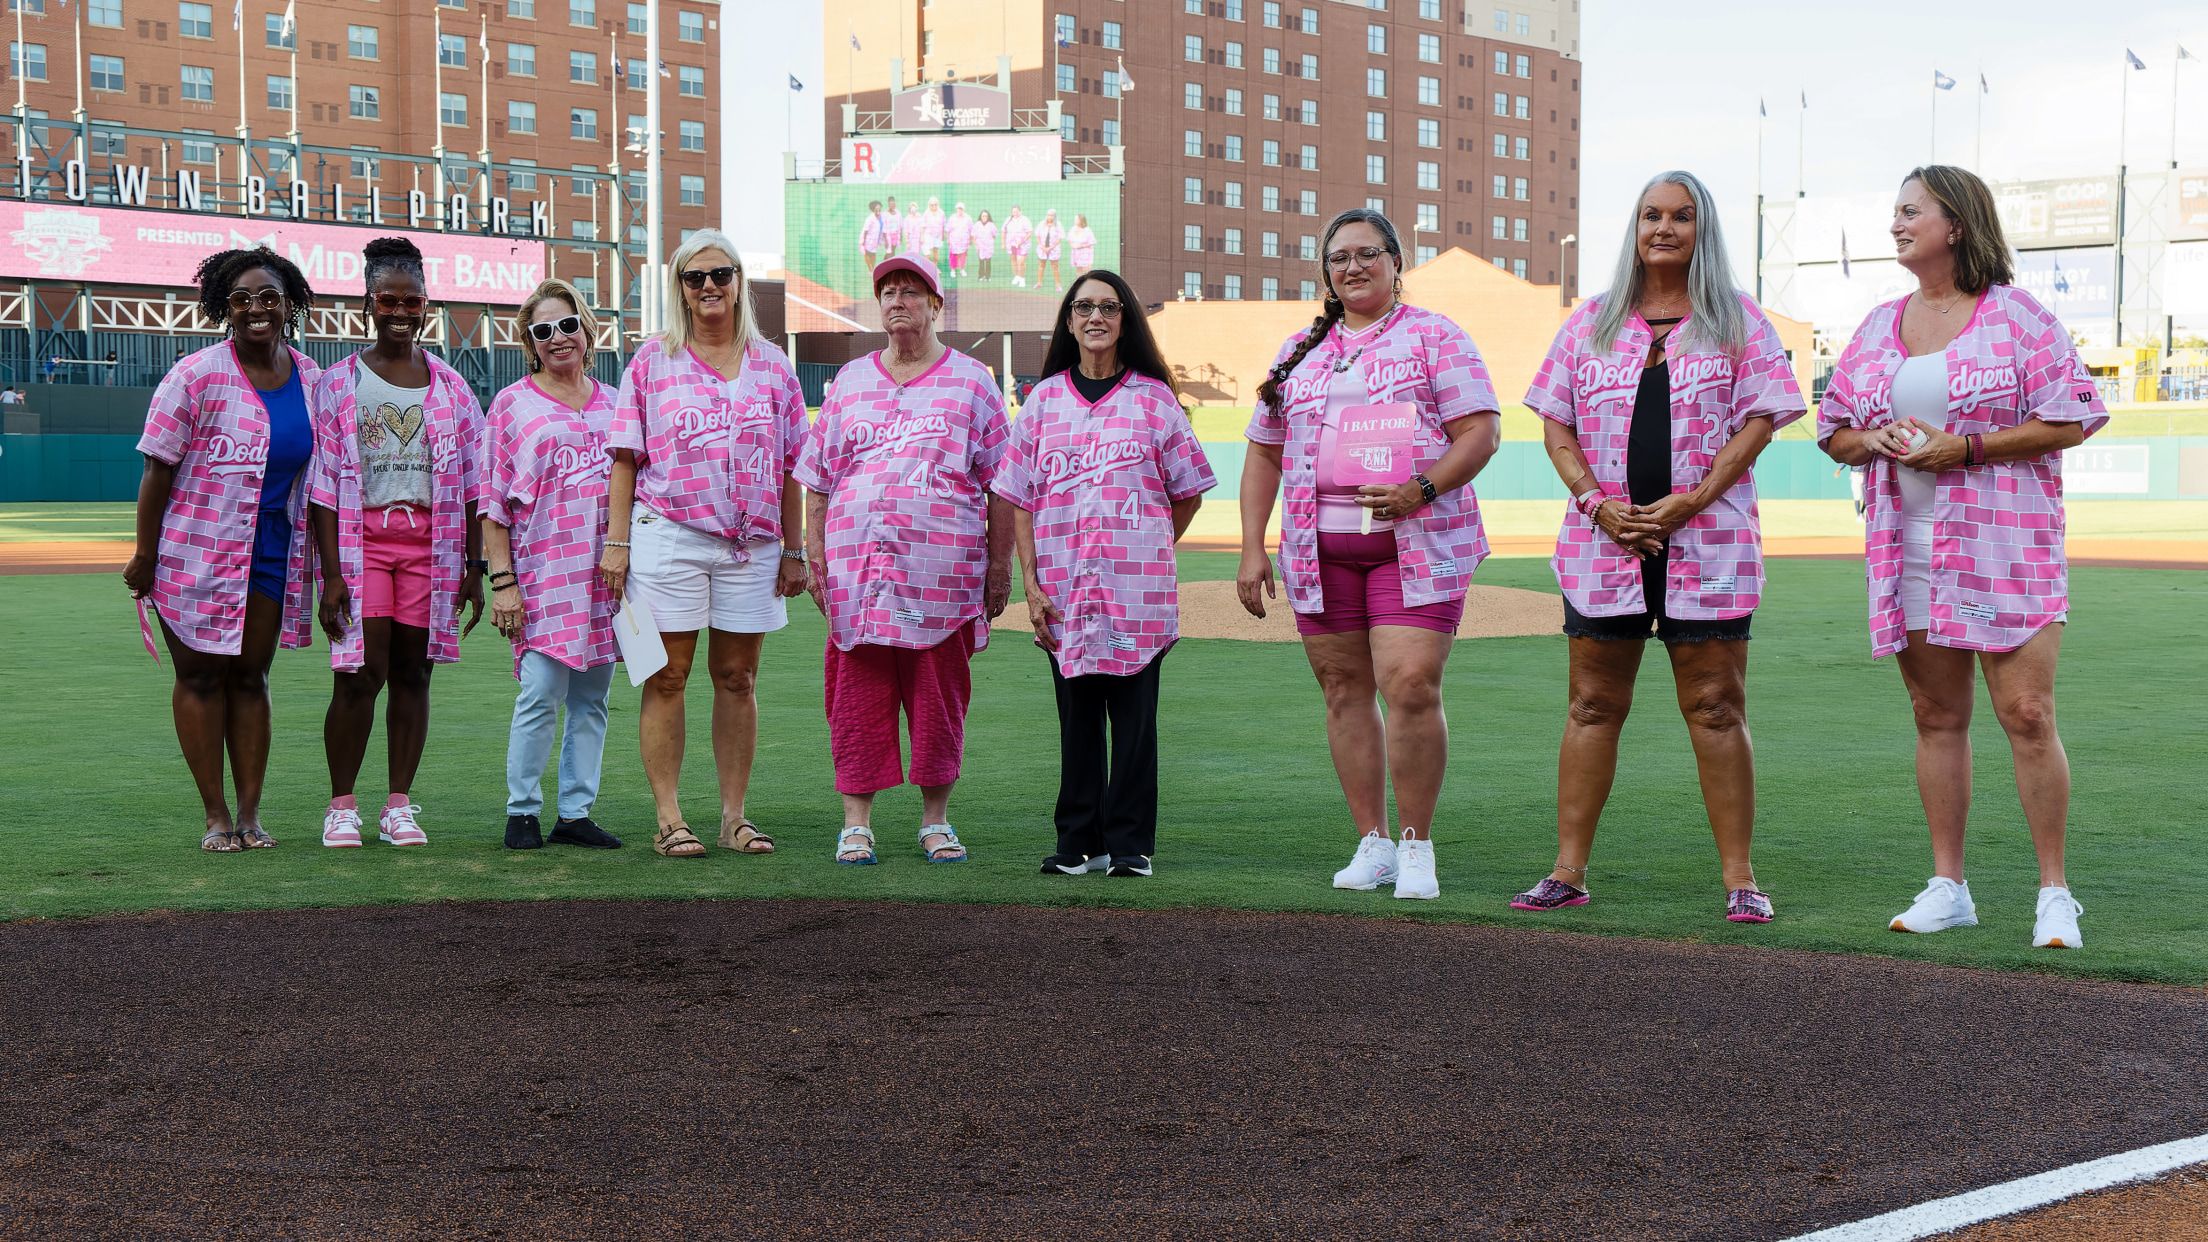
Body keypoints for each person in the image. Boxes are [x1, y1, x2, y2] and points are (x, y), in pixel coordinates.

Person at [1818, 165, 2107, 949]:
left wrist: (1966, 448)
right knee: (1936, 716)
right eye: (1895, 210)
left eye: (1910, 210)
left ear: (1955, 223)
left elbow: (2076, 418)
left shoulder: (2019, 317)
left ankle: (2055, 894)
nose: (1896, 223)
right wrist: (1869, 438)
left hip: (2004, 547)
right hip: (1905, 549)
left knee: (2028, 714)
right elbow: (1833, 430)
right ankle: (1950, 887)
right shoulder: (1878, 326)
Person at [1514, 171, 1803, 924]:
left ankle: (1741, 879)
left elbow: (1761, 421)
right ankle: (1567, 872)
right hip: (1604, 541)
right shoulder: (1591, 321)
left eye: (1681, 216)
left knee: (1716, 707)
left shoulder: (1737, 319)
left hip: (1707, 542)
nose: (1664, 228)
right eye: (1651, 215)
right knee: (1590, 705)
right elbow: (1555, 420)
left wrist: (1694, 499)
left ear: (1703, 229)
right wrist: (1596, 504)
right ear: (1635, 228)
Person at [1235, 207, 1502, 900]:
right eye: (1339, 258)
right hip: (1318, 548)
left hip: (1414, 542)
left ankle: (1416, 845)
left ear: (1395, 262)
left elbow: (1480, 433)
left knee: (1410, 683)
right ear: (1325, 273)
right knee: (1343, 690)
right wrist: (1252, 545)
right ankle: (1374, 843)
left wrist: (1420, 489)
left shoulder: (1435, 336)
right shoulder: (1300, 350)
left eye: (1367, 253)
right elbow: (1263, 453)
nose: (1353, 267)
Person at [797, 254, 1013, 867]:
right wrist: (815, 557)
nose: (898, 301)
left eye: (911, 291)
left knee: (938, 701)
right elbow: (819, 480)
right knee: (855, 701)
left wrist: (1000, 569)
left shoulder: (973, 382)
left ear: (936, 305)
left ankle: (935, 821)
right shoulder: (849, 381)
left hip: (943, 579)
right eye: (888, 291)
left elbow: (1002, 485)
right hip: (858, 579)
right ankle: (856, 824)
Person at [600, 229, 809, 860]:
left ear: (739, 282)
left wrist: (795, 548)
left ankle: (732, 817)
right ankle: (669, 818)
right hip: (669, 535)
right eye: (695, 277)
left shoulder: (773, 365)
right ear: (680, 288)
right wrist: (616, 543)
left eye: (721, 274)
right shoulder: (652, 360)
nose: (709, 286)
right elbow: (625, 459)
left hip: (753, 545)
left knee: (738, 677)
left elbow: (793, 465)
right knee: (668, 674)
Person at [999, 272, 1215, 878]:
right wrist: (1031, 584)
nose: (1096, 317)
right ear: (1069, 321)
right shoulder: (1043, 401)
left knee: (1134, 723)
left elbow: (1188, 492)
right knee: (1077, 720)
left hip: (1136, 592)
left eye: (1109, 307)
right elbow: (1020, 499)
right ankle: (1078, 843)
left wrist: (1150, 547)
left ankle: (1129, 844)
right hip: (1063, 590)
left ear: (1125, 321)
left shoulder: (1154, 399)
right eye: (1084, 307)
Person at [124, 247, 321, 852]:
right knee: (201, 674)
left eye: (269, 297)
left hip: (272, 550)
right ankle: (215, 816)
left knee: (251, 677)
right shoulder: (194, 375)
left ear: (289, 305)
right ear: (223, 307)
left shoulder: (312, 378)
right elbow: (157, 470)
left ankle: (250, 815)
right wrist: (145, 554)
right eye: (242, 299)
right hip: (195, 549)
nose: (257, 308)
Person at [307, 236, 486, 849]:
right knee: (360, 672)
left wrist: (474, 565)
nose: (401, 312)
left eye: (413, 302)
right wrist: (331, 574)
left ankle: (399, 806)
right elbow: (322, 484)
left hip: (432, 546)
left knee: (414, 673)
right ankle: (341, 806)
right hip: (362, 542)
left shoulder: (452, 387)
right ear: (369, 303)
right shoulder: (337, 383)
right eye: (389, 300)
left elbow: (473, 482)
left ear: (426, 306)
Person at [479, 279, 624, 851]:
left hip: (608, 577)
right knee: (540, 691)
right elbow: (493, 504)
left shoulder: (617, 402)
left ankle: (575, 812)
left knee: (593, 699)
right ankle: (522, 810)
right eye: (544, 330)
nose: (558, 337)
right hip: (543, 576)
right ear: (530, 343)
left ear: (587, 329)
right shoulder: (511, 405)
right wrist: (503, 583)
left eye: (568, 325)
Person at [1035, 208, 1067, 293]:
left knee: (1055, 267)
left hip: (1054, 250)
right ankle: (1039, 283)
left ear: (1054, 216)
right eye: (1048, 215)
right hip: (1042, 249)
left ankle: (1058, 285)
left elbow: (1059, 238)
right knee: (1041, 265)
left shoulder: (1058, 225)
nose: (1049, 217)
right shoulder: (1042, 224)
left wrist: (1051, 247)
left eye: (1051, 216)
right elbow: (1037, 235)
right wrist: (1041, 246)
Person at [1004, 206, 1033, 288]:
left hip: (1022, 245)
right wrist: (1003, 243)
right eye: (1013, 212)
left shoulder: (1025, 220)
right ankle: (1017, 276)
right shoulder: (1009, 220)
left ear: (1020, 211)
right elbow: (1004, 230)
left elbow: (1030, 232)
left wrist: (1022, 241)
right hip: (1011, 244)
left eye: (1017, 211)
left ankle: (1022, 278)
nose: (1015, 213)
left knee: (1021, 262)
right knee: (1013, 261)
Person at [1066, 214, 1098, 279]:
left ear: (1081, 220)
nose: (1075, 221)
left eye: (1077, 219)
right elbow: (1069, 238)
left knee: (1086, 271)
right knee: (1079, 271)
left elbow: (1092, 242)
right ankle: (1079, 283)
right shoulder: (1073, 228)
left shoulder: (1087, 230)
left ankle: (1088, 283)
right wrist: (1072, 245)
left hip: (1085, 253)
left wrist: (1081, 246)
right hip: (1077, 253)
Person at [945, 203, 973, 279]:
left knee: (963, 256)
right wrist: (948, 239)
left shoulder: (968, 218)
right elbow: (948, 230)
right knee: (953, 256)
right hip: (954, 242)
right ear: (956, 209)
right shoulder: (952, 218)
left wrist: (971, 239)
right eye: (958, 208)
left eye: (961, 208)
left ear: (963, 209)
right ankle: (953, 270)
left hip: (964, 242)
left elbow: (971, 230)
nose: (960, 210)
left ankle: (962, 269)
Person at [860, 200, 886, 273]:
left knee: (873, 254)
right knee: (868, 254)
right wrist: (863, 240)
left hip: (875, 239)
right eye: (876, 209)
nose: (878, 210)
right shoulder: (870, 219)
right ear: (873, 209)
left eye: (879, 209)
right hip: (868, 239)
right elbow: (865, 230)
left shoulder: (882, 216)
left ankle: (873, 268)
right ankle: (869, 269)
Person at [972, 209, 998, 282]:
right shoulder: (977, 224)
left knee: (988, 262)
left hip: (989, 247)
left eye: (986, 216)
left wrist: (989, 241)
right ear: (981, 216)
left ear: (988, 217)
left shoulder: (991, 225)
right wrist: (976, 246)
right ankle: (981, 276)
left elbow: (994, 234)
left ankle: (987, 277)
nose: (984, 217)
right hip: (980, 246)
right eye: (983, 216)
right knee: (981, 262)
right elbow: (974, 236)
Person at [921, 196, 945, 264]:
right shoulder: (926, 213)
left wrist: (943, 234)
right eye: (932, 205)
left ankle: (935, 267)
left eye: (935, 204)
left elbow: (943, 224)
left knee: (935, 251)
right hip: (929, 235)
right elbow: (922, 226)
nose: (934, 206)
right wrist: (922, 237)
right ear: (929, 205)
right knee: (927, 253)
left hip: (938, 236)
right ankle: (927, 267)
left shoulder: (941, 213)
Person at [880, 195, 904, 260]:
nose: (892, 205)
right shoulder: (885, 214)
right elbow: (883, 228)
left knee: (893, 251)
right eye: (891, 204)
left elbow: (900, 226)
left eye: (893, 204)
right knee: (888, 252)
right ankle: (884, 264)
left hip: (896, 235)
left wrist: (901, 237)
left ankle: (891, 264)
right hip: (888, 236)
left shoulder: (898, 213)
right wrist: (885, 240)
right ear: (888, 204)